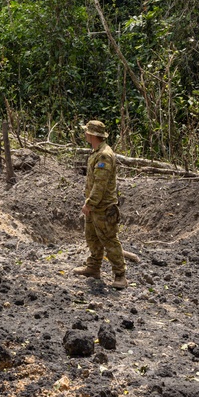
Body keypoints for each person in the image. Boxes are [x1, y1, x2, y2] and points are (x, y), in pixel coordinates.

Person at [72, 120, 126, 289]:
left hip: (103, 207)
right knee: (92, 238)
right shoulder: (97, 152)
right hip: (95, 207)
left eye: (87, 132)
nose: (85, 134)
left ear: (92, 135)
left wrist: (89, 203)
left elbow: (100, 185)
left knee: (110, 241)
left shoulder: (104, 155)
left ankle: (120, 275)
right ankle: (93, 268)